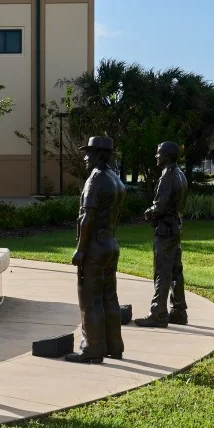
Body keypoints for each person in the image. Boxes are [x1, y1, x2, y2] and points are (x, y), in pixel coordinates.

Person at [67, 136, 127, 363]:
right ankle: (114, 345)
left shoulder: (96, 179)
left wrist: (80, 249)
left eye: (89, 153)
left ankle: (92, 348)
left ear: (100, 155)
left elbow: (87, 217)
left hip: (94, 246)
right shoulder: (116, 181)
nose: (85, 157)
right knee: (109, 296)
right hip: (111, 243)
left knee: (90, 299)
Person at [135, 141, 189, 327]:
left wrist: (149, 212)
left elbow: (161, 205)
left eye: (158, 153)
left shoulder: (168, 176)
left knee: (162, 271)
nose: (156, 156)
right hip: (175, 228)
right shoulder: (180, 174)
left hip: (165, 230)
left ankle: (158, 313)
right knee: (175, 271)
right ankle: (179, 311)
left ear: (166, 156)